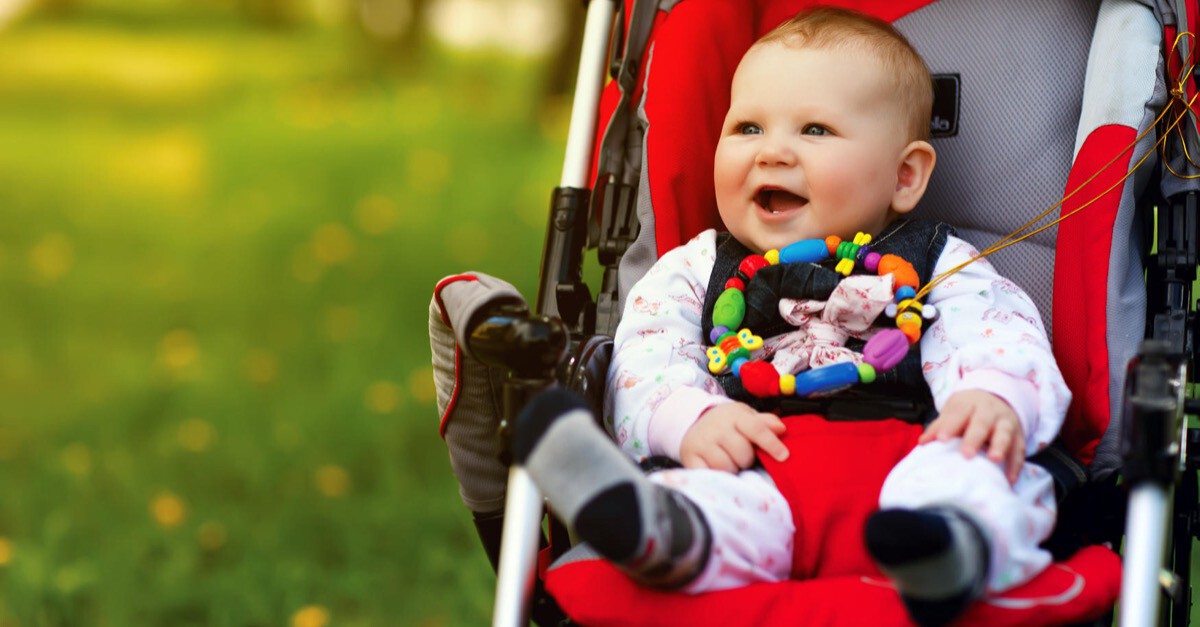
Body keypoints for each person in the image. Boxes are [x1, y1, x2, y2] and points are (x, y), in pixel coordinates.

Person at [513, 7, 1069, 626]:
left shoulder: (938, 261)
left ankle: (949, 548)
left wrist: (991, 396)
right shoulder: (696, 268)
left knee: (979, 476)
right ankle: (662, 532)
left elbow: (998, 332)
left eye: (816, 131)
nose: (772, 152)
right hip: (752, 464)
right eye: (747, 127)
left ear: (904, 175)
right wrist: (689, 419)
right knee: (709, 499)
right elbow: (646, 351)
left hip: (907, 457)